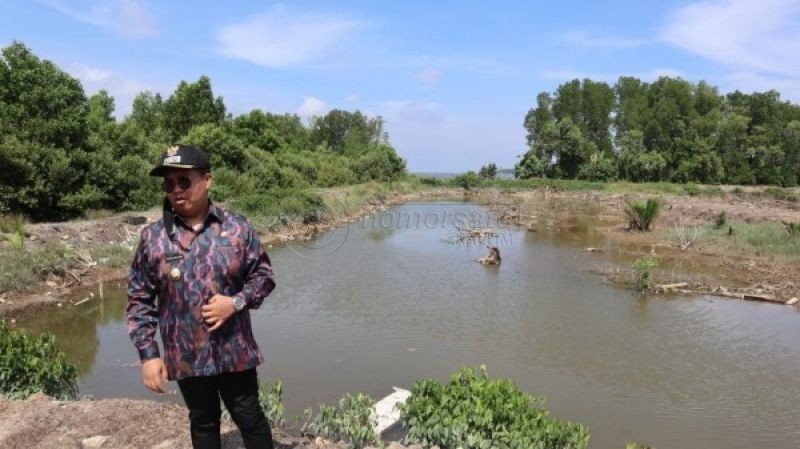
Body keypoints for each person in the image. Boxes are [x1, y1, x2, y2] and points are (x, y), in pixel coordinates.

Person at [126, 144, 276, 449]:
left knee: (249, 417)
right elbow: (139, 298)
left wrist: (234, 303)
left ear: (207, 180)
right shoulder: (154, 238)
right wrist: (148, 354)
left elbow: (264, 277)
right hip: (186, 355)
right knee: (203, 421)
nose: (176, 191)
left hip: (235, 351)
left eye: (184, 182)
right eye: (169, 184)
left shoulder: (236, 227)